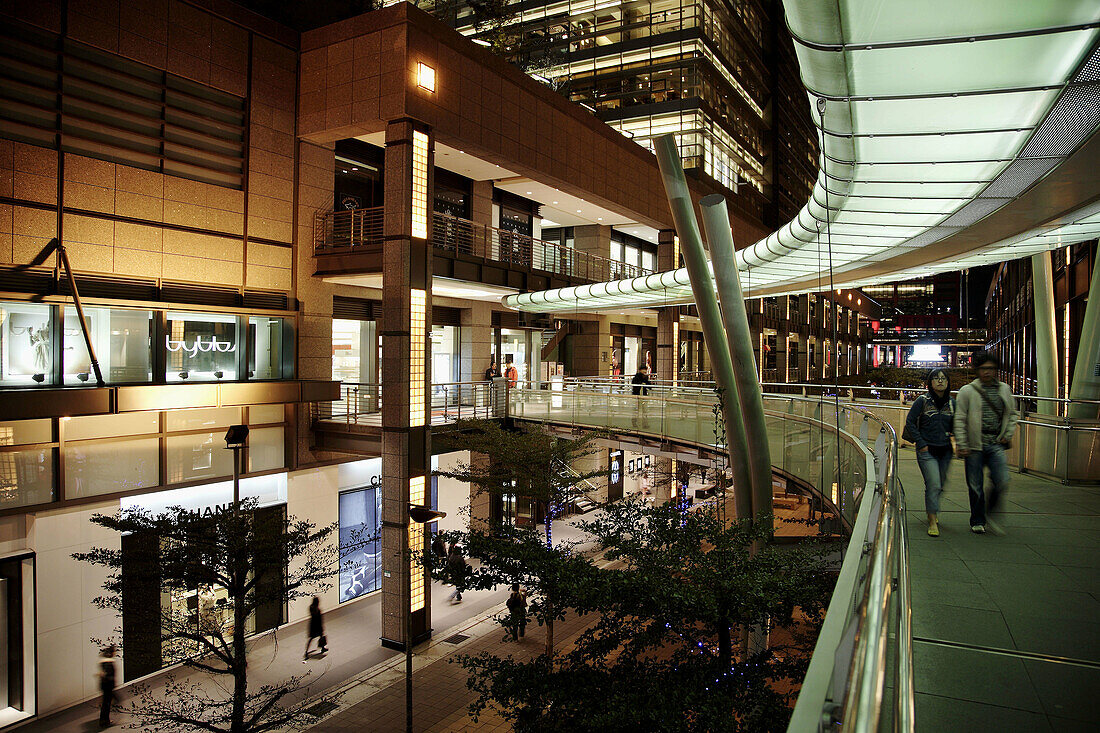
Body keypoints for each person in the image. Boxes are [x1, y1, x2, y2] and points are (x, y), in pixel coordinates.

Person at [954, 352, 1018, 535]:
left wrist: (1008, 433)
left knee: (1002, 479)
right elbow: (960, 418)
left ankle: (990, 511)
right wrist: (962, 442)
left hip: (996, 443)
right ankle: (978, 520)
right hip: (974, 445)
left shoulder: (1004, 389)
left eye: (990, 368)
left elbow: (1012, 414)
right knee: (975, 485)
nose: (987, 372)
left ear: (996, 370)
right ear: (977, 370)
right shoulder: (968, 391)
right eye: (983, 369)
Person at [905, 369, 955, 537]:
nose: (940, 381)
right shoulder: (923, 401)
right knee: (933, 483)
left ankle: (931, 509)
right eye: (936, 378)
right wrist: (921, 442)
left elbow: (957, 424)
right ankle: (932, 519)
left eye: (943, 378)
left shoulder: (952, 403)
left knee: (939, 484)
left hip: (945, 449)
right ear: (930, 383)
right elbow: (910, 422)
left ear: (948, 382)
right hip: (927, 449)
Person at [98, 644, 117, 728]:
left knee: (106, 703)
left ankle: (105, 720)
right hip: (108, 686)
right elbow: (108, 675)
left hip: (105, 686)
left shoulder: (104, 662)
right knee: (106, 704)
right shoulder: (109, 664)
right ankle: (105, 721)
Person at [304, 596, 327, 661]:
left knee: (319, 636)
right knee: (313, 638)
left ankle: (322, 647)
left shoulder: (312, 607)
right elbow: (316, 616)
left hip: (315, 625)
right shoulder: (314, 608)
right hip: (315, 625)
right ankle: (306, 651)